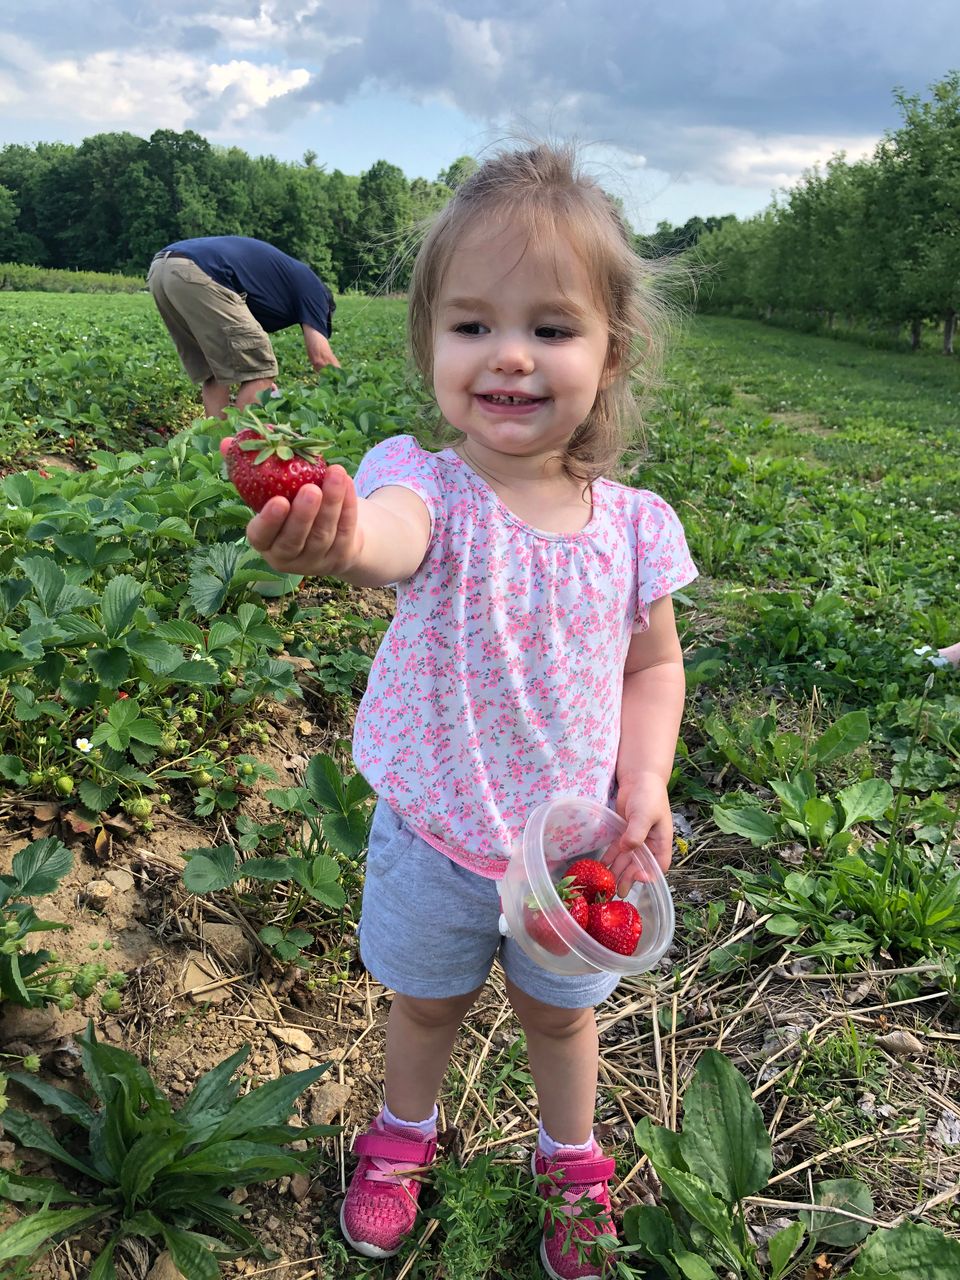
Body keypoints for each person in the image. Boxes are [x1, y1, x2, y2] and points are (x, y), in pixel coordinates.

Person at [223, 143, 698, 1279]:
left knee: (563, 1019)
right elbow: (390, 537)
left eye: (551, 326)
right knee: (426, 1005)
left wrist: (644, 780)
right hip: (435, 836)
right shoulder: (425, 485)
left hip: (572, 858)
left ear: (611, 351)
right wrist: (341, 535)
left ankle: (569, 1154)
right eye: (473, 324)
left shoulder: (635, 526)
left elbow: (651, 666)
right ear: (431, 341)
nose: (510, 357)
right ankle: (403, 1133)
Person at [147, 235, 339, 419]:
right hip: (198, 271)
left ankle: (215, 447)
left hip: (162, 268)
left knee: (215, 372)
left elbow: (237, 349)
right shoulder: (316, 293)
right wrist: (350, 396)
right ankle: (236, 447)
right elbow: (321, 358)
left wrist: (259, 388)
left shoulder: (278, 289)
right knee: (261, 369)